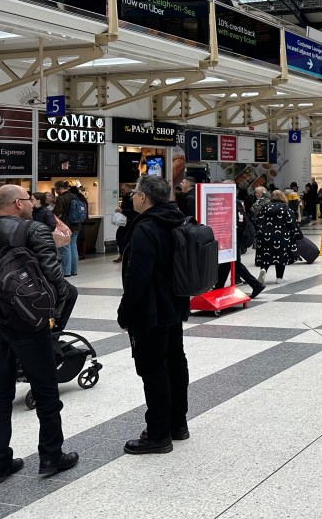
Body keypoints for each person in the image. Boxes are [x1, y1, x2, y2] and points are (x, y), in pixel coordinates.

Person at [0, 185, 80, 480]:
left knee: (0, 394)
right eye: (29, 199)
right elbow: (53, 272)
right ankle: (51, 456)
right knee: (46, 391)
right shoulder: (33, 230)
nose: (33, 204)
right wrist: (59, 305)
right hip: (29, 324)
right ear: (18, 204)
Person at [116, 175, 191, 455]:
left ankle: (158, 433)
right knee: (175, 363)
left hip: (151, 310)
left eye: (135, 192)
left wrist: (125, 312)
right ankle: (177, 423)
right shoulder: (175, 218)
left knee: (153, 369)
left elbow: (138, 276)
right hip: (174, 304)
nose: (132, 196)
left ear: (144, 197)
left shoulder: (146, 227)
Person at [214, 188, 265, 298]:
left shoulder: (235, 202)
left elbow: (240, 222)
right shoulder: (231, 201)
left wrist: (234, 236)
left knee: (233, 263)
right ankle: (219, 287)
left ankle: (256, 285)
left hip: (235, 237)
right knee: (228, 262)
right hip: (232, 236)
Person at [254, 190, 301, 284]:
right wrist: (298, 234)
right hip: (281, 236)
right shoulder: (285, 208)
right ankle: (279, 278)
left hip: (264, 235)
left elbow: (257, 220)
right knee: (280, 256)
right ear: (282, 197)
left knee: (266, 254)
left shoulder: (264, 207)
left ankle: (263, 270)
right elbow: (292, 223)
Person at [52, 181, 84, 278]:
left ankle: (66, 271)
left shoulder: (61, 198)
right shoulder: (75, 196)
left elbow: (58, 213)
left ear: (59, 189)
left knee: (66, 248)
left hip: (65, 226)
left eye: (56, 190)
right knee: (73, 247)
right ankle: (74, 270)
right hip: (76, 225)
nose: (56, 192)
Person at [113, 184, 138, 263]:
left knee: (127, 238)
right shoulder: (126, 197)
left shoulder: (133, 197)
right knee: (119, 237)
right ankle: (122, 254)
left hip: (131, 221)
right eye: (121, 190)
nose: (122, 191)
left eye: (123, 190)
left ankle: (126, 255)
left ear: (128, 188)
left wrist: (123, 211)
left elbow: (134, 211)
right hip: (124, 221)